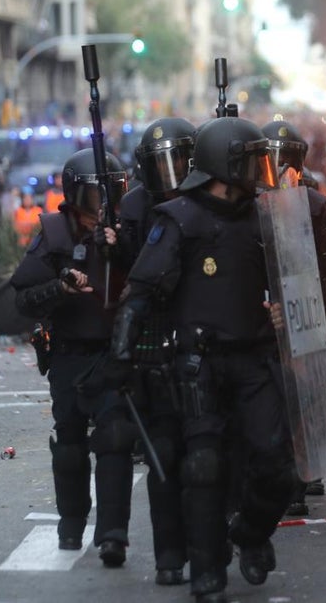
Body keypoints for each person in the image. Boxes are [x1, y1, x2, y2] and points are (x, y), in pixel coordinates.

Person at [110, 117, 292, 603]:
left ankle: (251, 533)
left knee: (277, 464)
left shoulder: (265, 216)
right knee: (204, 466)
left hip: (254, 359)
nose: (259, 169)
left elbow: (294, 281)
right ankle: (207, 571)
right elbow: (140, 291)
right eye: (249, 160)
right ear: (223, 164)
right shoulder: (179, 218)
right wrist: (122, 355)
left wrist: (284, 310)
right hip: (199, 364)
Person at [9, 149, 134, 567]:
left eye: (108, 196)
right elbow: (22, 298)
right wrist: (59, 289)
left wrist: (123, 253)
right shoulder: (53, 233)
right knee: (70, 447)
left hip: (113, 354)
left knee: (115, 440)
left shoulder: (126, 231)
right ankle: (71, 522)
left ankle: (113, 534)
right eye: (93, 198)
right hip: (68, 356)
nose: (101, 209)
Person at [260, 120, 326, 514]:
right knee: (274, 396)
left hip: (307, 311)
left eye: (285, 161)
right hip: (265, 316)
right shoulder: (247, 204)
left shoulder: (315, 205)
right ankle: (284, 474)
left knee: (310, 393)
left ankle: (304, 476)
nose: (279, 168)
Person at [114, 117, 196, 585]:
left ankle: (218, 542)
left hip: (212, 342)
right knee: (165, 453)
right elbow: (135, 283)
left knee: (212, 457)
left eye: (179, 161)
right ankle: (170, 556)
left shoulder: (216, 205)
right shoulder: (140, 212)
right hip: (157, 347)